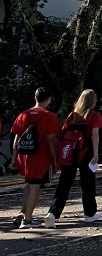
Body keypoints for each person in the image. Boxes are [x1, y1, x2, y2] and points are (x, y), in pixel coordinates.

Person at [44, 89, 102, 227]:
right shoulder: (94, 115)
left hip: (70, 151)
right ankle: (89, 213)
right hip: (86, 150)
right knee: (88, 183)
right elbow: (95, 135)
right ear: (93, 101)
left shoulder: (72, 115)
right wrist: (95, 153)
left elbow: (64, 132)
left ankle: (52, 214)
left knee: (64, 184)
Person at [10, 87, 60, 229]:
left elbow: (17, 139)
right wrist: (56, 159)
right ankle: (28, 220)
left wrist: (14, 159)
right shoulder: (50, 116)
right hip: (40, 156)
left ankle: (23, 211)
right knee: (35, 186)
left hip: (23, 156)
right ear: (48, 99)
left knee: (28, 184)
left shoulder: (23, 115)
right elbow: (51, 139)